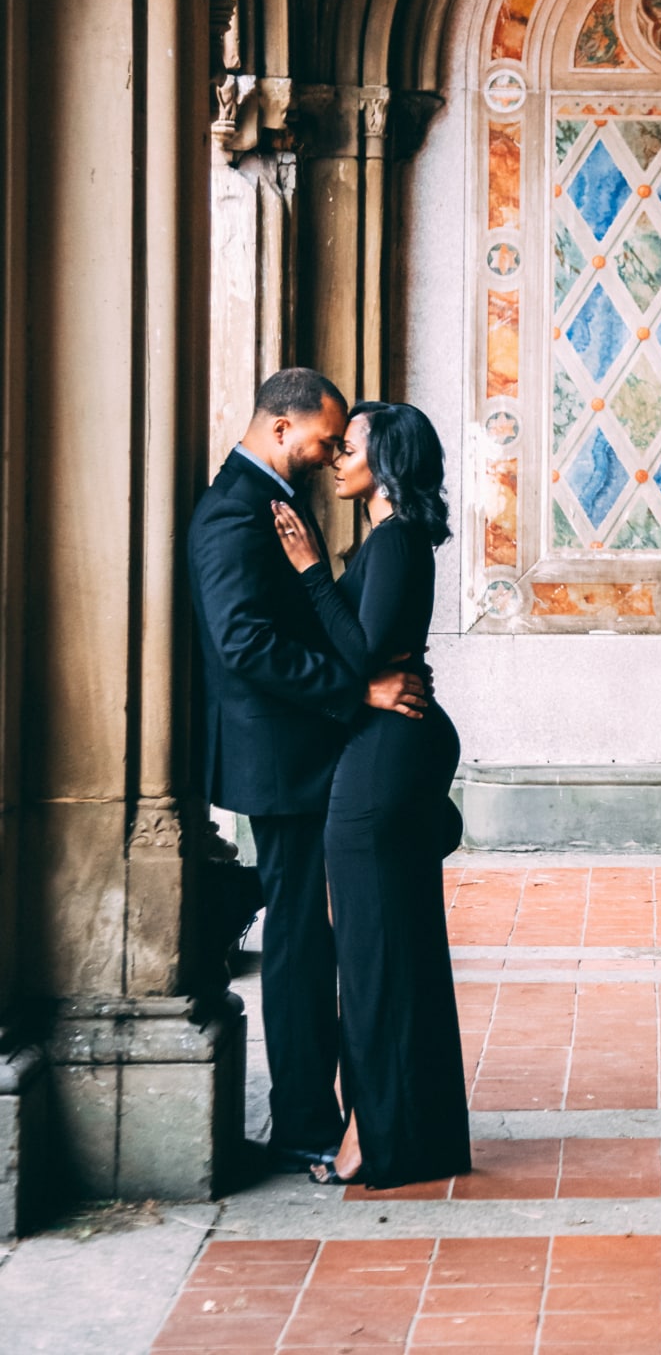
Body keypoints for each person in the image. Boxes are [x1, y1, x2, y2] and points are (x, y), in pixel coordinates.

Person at [188, 368, 429, 1172]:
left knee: (312, 936)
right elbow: (245, 644)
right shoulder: (233, 510)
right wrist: (354, 689)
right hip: (281, 755)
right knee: (299, 940)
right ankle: (301, 1117)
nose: (330, 455)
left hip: (301, 745)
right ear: (282, 427)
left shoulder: (267, 503)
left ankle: (323, 1110)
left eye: (344, 444)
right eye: (326, 438)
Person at [272, 399, 471, 1190]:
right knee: (387, 944)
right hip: (381, 750)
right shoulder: (391, 542)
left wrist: (313, 573)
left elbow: (356, 654)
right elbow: (368, 659)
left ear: (387, 460)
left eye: (350, 445)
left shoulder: (393, 543)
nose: (336, 457)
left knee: (374, 951)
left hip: (383, 763)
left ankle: (375, 1136)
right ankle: (399, 1128)